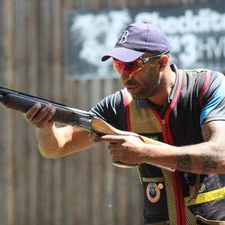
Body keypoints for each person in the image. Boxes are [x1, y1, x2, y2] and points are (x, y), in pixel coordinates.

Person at [24, 22, 225, 225]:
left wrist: (145, 152)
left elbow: (221, 156)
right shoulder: (119, 105)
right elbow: (57, 147)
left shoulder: (207, 87)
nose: (124, 75)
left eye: (132, 65)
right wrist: (45, 127)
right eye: (118, 65)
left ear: (162, 63)